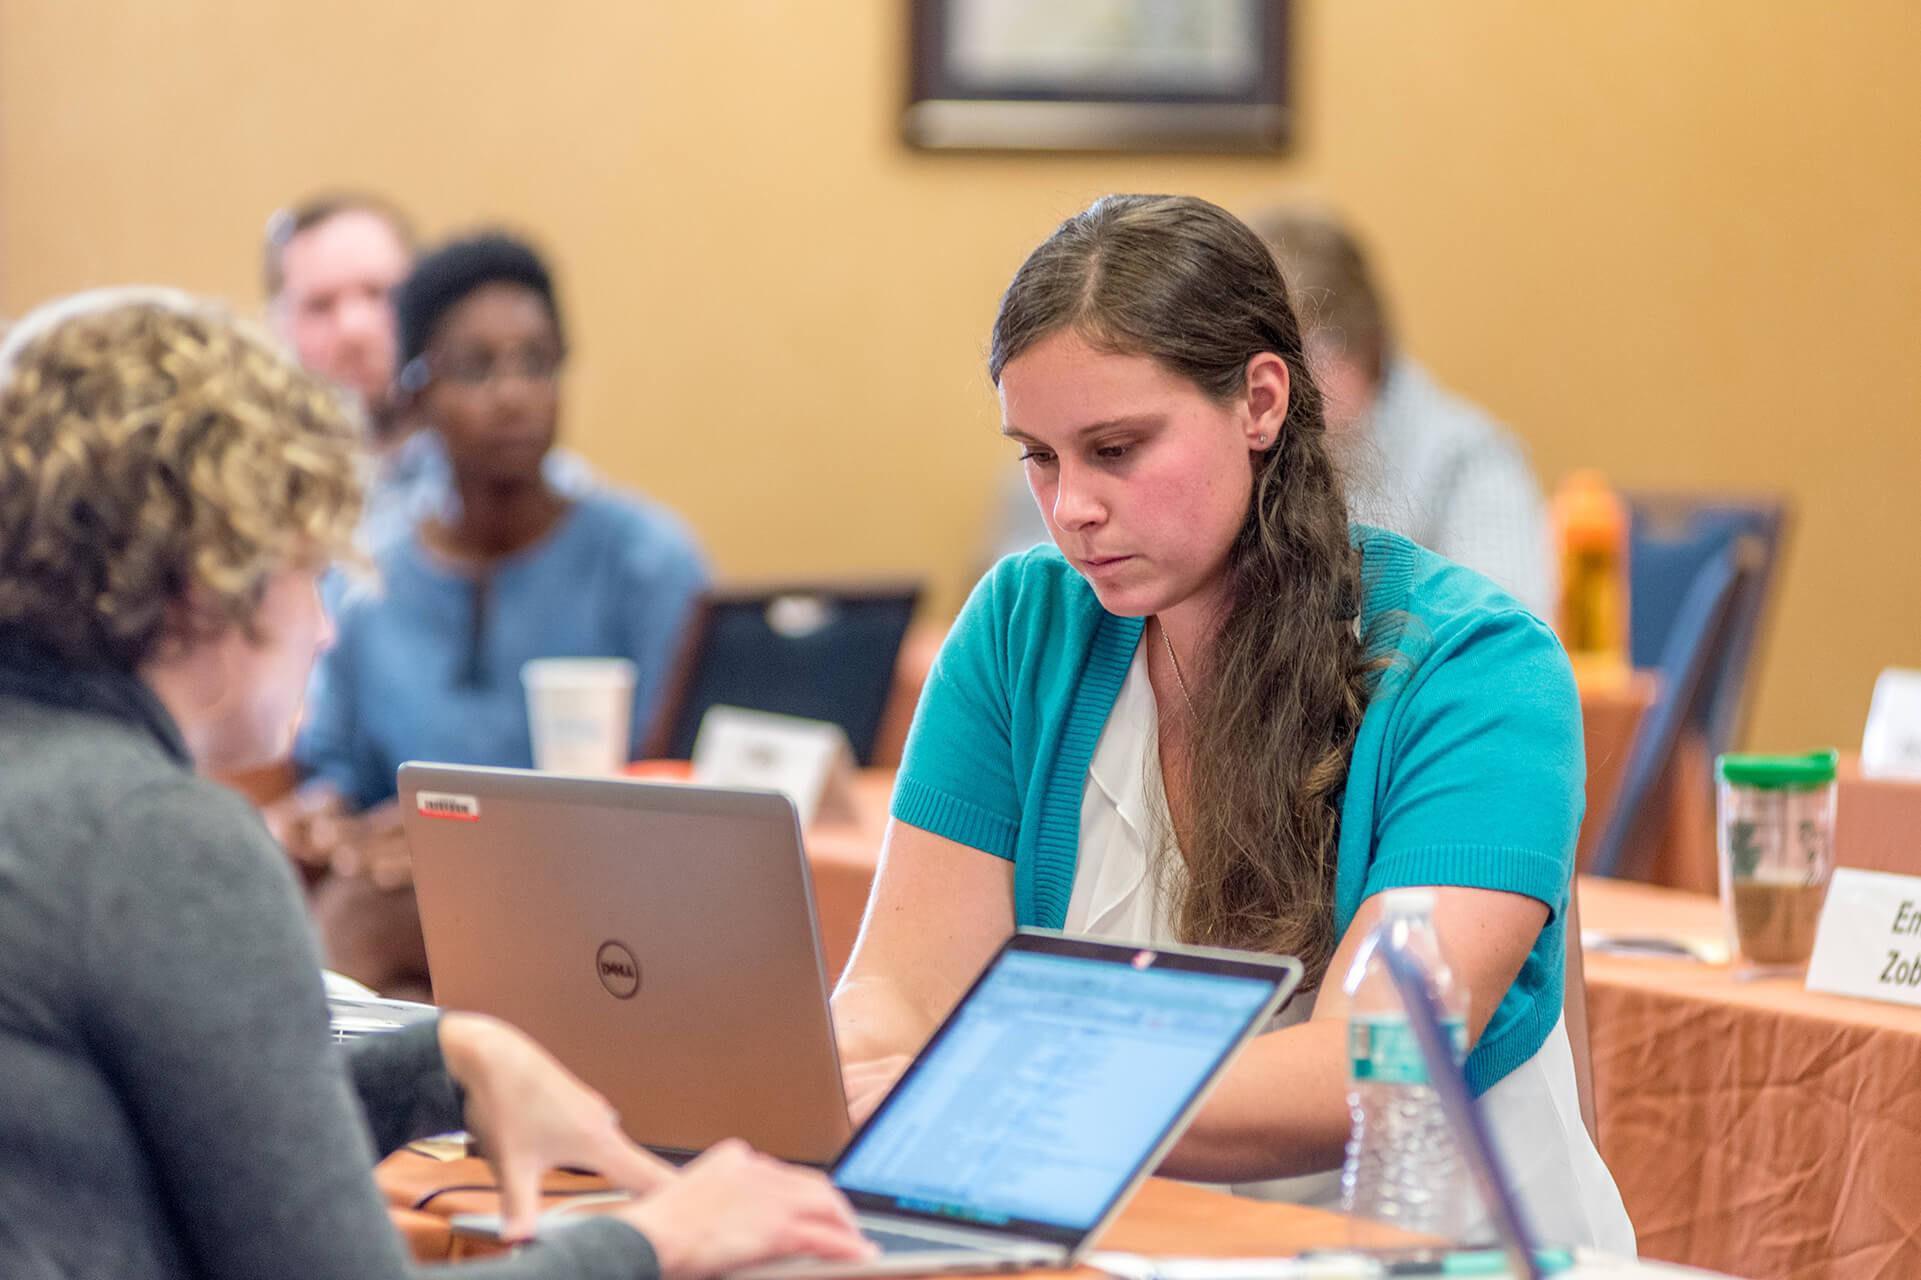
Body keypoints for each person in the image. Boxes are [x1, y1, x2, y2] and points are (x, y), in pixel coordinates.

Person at [0, 288, 872, 1278]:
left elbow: (207, 1125)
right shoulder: (154, 838)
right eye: (308, 573)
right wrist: (653, 1239)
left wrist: (441, 1060)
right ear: (214, 580)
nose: (325, 626)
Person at [832, 196, 1633, 1253]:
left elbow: (1366, 1064)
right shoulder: (1019, 625)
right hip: (1136, 1247)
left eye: (1115, 448)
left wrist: (999, 1094)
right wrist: (843, 1076)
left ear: (1259, 401)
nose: (1068, 505)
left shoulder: (1477, 669)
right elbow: (898, 988)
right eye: (1038, 455)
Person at [282, 232, 708, 990]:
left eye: (537, 362)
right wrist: (326, 817)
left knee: (360, 923)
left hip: (611, 914)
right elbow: (335, 766)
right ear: (412, 392)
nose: (512, 394)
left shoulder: (645, 563)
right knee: (355, 913)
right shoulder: (370, 578)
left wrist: (465, 845)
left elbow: (684, 793)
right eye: (474, 367)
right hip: (404, 904)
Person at [1250, 206, 1554, 618]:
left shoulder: (1468, 459)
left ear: (1351, 347)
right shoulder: (1243, 453)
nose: (1259, 393)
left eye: (1286, 360)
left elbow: (1504, 642)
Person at [264, 193, 596, 554]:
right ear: (276, 326)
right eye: (320, 306)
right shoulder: (249, 492)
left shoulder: (537, 488)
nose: (353, 329)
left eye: (378, 295)